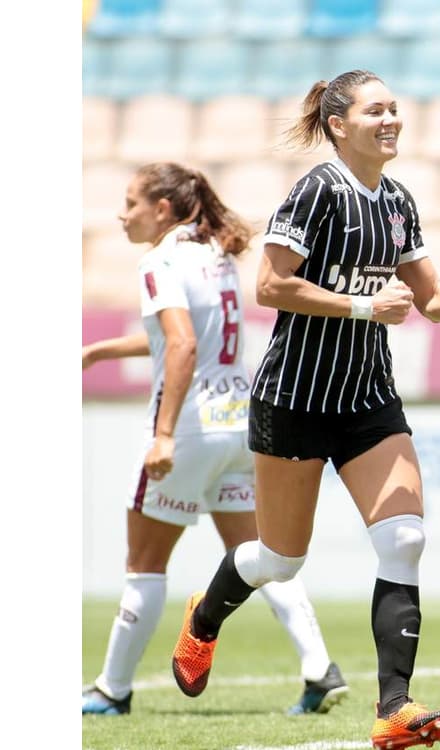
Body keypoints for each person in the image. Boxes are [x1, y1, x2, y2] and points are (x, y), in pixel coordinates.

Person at [168, 70, 440, 750]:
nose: (391, 119)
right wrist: (361, 305)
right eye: (376, 109)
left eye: (395, 109)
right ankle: (204, 619)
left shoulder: (399, 202)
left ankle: (395, 709)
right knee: (278, 560)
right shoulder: (318, 191)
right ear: (339, 124)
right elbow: (269, 285)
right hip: (295, 398)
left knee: (405, 538)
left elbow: (427, 296)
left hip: (368, 399)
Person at [81, 162, 348, 717]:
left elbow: (180, 347)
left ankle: (111, 689)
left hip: (192, 429)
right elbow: (184, 336)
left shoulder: (159, 260)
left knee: (145, 564)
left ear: (162, 209)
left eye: (130, 202)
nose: (121, 214)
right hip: (238, 425)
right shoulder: (217, 256)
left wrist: (163, 436)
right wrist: (100, 351)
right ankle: (320, 669)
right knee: (257, 555)